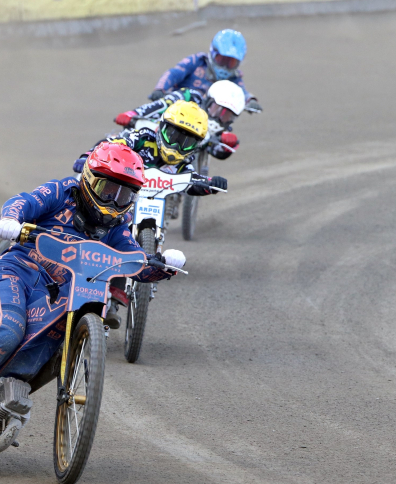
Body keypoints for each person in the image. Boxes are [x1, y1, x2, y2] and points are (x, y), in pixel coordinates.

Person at [0, 142, 189, 448]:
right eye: (108, 188)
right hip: (15, 272)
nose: (114, 200)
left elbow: (135, 261)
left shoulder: (118, 226)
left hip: (56, 294)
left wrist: (163, 266)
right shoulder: (62, 192)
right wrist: (11, 220)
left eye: (125, 194)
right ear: (88, 178)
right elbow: (23, 202)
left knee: (47, 346)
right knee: (8, 329)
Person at [74, 100, 228, 328]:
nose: (177, 145)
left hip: (150, 207)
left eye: (187, 142)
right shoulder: (142, 137)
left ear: (196, 146)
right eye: (174, 134)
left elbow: (191, 181)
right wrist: (89, 155)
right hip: (117, 197)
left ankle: (117, 293)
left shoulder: (185, 164)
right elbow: (110, 144)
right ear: (161, 127)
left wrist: (208, 184)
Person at [115, 80, 247, 162]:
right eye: (217, 109)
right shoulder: (189, 95)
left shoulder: (223, 131)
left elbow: (217, 151)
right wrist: (133, 114)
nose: (219, 118)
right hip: (157, 127)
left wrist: (230, 145)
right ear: (208, 100)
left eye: (227, 116)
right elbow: (162, 104)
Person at [146, 29, 261, 112]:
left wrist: (251, 101)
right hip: (174, 109)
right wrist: (160, 89)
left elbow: (242, 92)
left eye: (231, 63)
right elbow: (174, 73)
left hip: (204, 121)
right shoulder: (197, 61)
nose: (225, 67)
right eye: (222, 60)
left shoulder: (234, 77)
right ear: (213, 52)